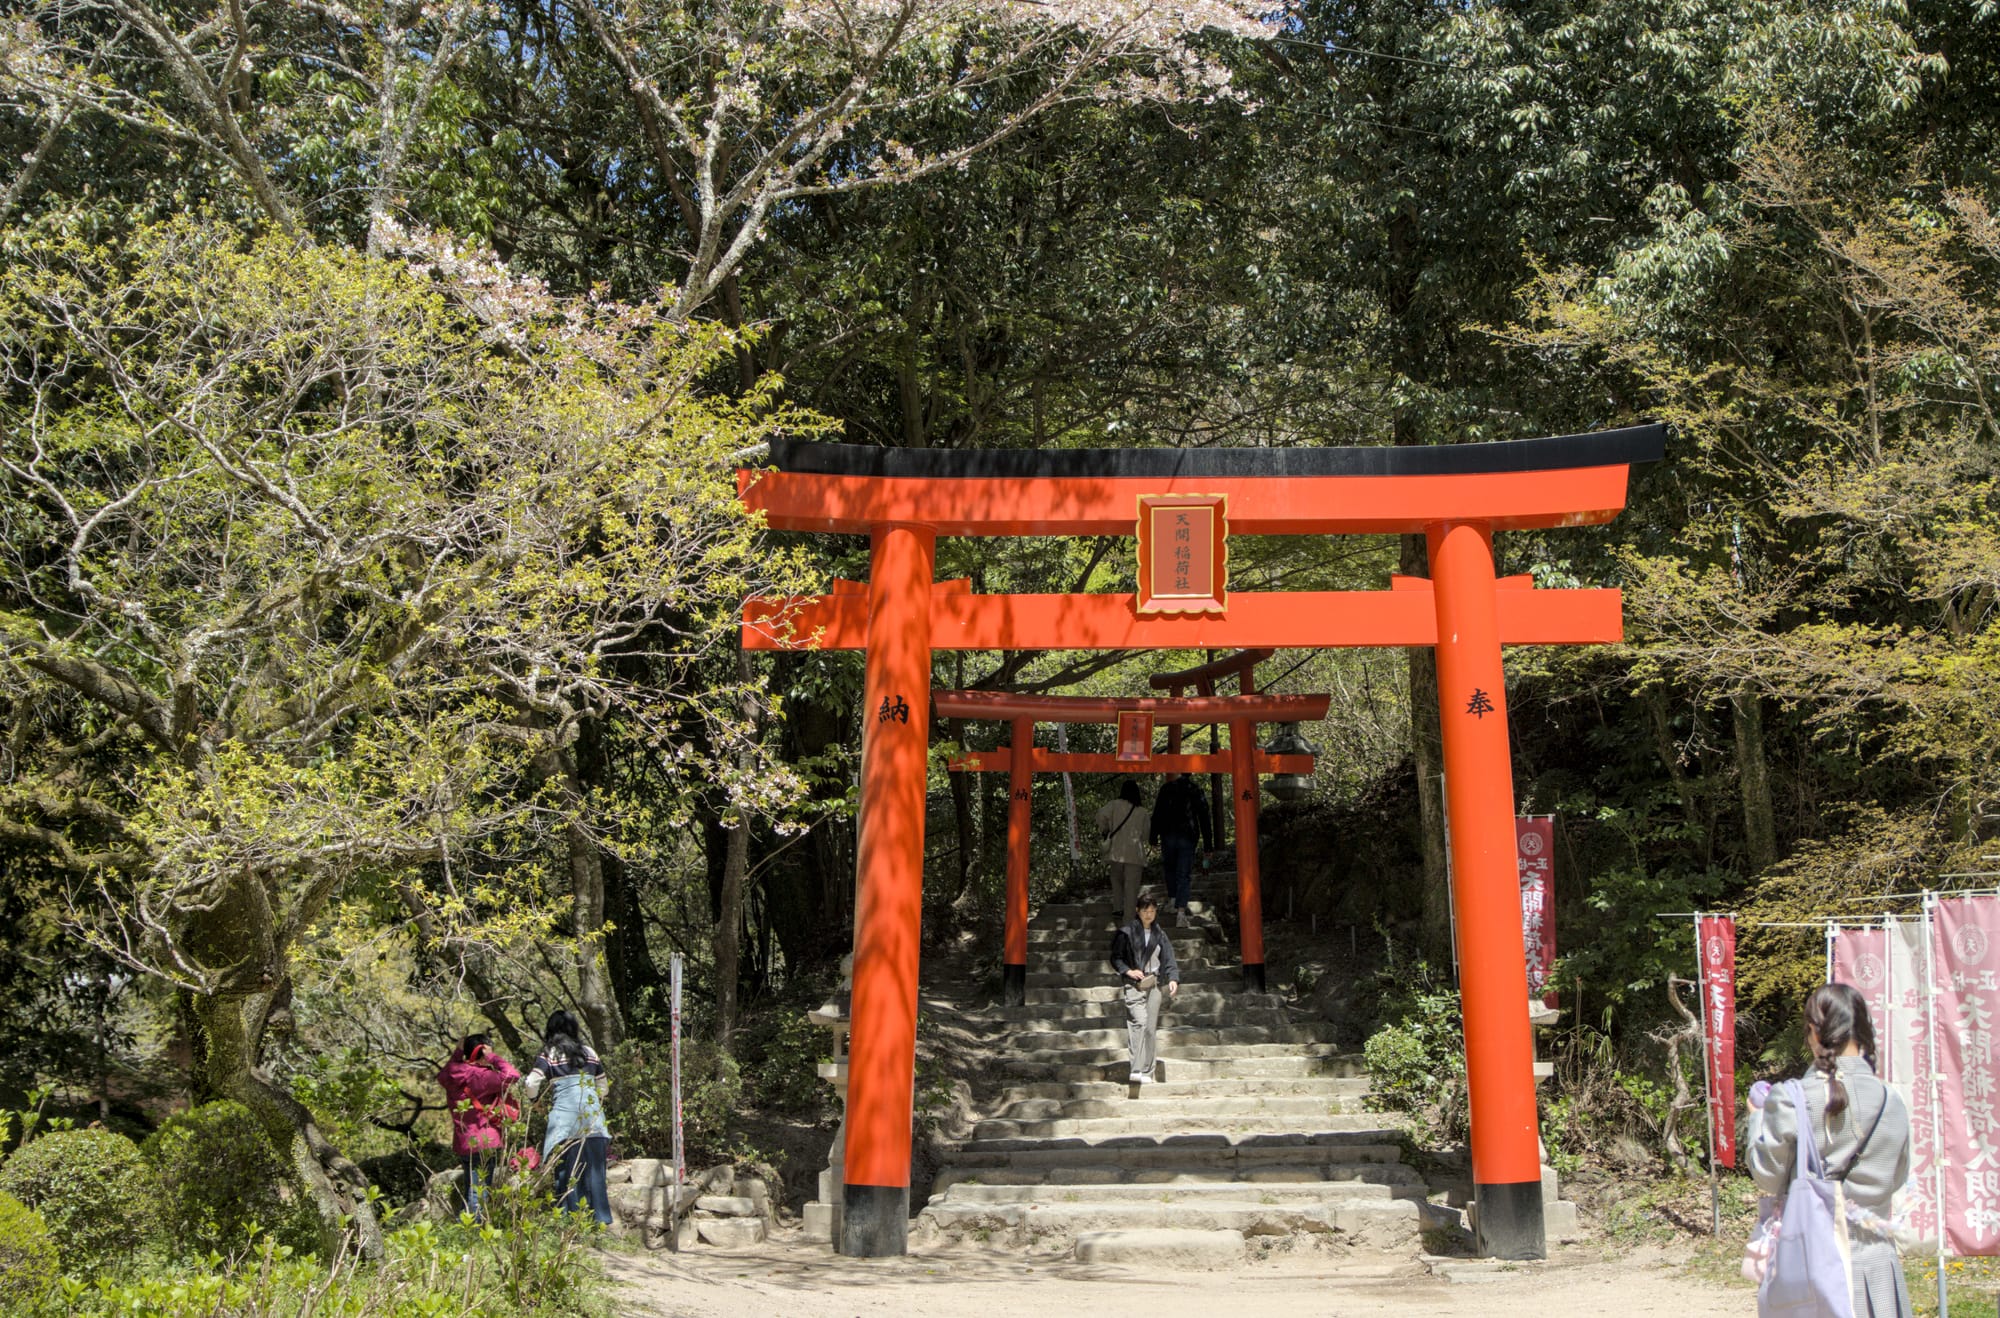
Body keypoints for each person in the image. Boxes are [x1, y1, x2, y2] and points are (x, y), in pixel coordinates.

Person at [1746, 983, 1913, 1318]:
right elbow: (1897, 1177)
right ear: (1863, 1032)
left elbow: (1768, 1175)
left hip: (1814, 1267)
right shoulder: (1892, 1099)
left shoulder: (1792, 1098)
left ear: (1813, 1031)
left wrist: (1756, 1120)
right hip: (1876, 1264)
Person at [523, 1010, 613, 1226]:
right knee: (595, 1173)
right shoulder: (589, 1052)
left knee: (566, 1171)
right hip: (593, 1120)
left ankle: (568, 1221)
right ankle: (599, 1221)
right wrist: (592, 1101)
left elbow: (531, 1083)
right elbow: (603, 1087)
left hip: (564, 1121)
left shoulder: (549, 1054)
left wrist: (535, 1103)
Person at [436, 1033, 520, 1219]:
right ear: (482, 1051)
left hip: (464, 1141)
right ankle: (473, 1231)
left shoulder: (452, 1073)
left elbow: (444, 1073)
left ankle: (463, 1226)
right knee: (479, 1191)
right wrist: (492, 1057)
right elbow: (513, 1075)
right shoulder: (481, 1076)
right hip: (484, 1140)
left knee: (471, 1188)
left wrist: (458, 1052)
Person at [1111, 893, 1179, 1084]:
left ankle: (1148, 1071)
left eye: (1152, 911)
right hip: (1134, 984)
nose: (1149, 915)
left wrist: (1173, 978)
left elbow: (1169, 958)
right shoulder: (1126, 932)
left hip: (1154, 983)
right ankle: (1136, 1068)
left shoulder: (1160, 934)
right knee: (1138, 1022)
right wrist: (1128, 971)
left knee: (1150, 1028)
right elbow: (1116, 957)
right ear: (1137, 912)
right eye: (1145, 911)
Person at [1149, 771, 1213, 926]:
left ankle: (1172, 900)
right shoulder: (1195, 789)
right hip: (1188, 836)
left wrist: (1153, 836)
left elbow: (1157, 813)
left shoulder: (1167, 788)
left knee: (1170, 868)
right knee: (1183, 874)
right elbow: (1204, 817)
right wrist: (1208, 845)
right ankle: (1181, 914)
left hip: (1168, 834)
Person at [1093, 780, 1151, 925]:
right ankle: (1128, 920)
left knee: (1117, 881)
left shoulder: (1113, 805)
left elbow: (1100, 815)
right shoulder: (1142, 812)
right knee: (1131, 887)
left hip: (1116, 851)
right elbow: (1145, 835)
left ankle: (1118, 907)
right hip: (1135, 854)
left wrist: (1105, 829)